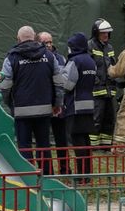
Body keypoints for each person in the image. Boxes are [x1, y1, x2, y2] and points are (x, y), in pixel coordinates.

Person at [0, 26, 63, 173]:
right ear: (34, 38)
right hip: (44, 110)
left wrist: (11, 104)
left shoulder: (12, 58)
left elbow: (4, 86)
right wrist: (57, 103)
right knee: (44, 146)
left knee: (24, 147)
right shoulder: (49, 56)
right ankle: (47, 178)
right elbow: (59, 82)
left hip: (21, 111)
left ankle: (28, 179)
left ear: (18, 38)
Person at [60, 32, 97, 181]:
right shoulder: (90, 60)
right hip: (89, 105)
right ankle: (87, 174)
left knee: (77, 140)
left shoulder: (75, 61)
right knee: (86, 140)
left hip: (74, 106)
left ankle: (81, 175)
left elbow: (67, 84)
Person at [39, 31, 72, 174]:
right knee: (43, 140)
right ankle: (47, 171)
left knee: (62, 140)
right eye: (45, 42)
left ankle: (65, 169)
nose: (49, 45)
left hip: (59, 104)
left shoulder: (60, 58)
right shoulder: (37, 59)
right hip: (44, 104)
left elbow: (64, 80)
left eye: (50, 42)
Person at [88, 19, 117, 148]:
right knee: (96, 118)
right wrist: (96, 81)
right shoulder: (90, 46)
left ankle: (105, 145)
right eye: (103, 33)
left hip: (109, 90)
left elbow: (113, 65)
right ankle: (93, 146)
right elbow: (89, 67)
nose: (106, 35)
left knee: (109, 118)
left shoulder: (109, 47)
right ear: (96, 33)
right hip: (96, 90)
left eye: (107, 33)